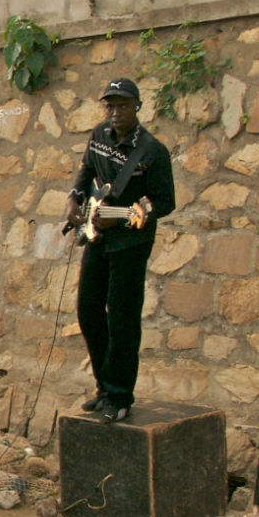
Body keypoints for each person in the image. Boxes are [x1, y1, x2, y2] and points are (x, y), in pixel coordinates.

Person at [65, 78, 176, 423]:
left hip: (130, 242)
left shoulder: (152, 152)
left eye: (122, 106)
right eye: (110, 106)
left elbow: (165, 202)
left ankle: (120, 393)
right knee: (88, 310)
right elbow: (86, 173)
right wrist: (74, 199)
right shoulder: (99, 135)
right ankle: (104, 385)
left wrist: (126, 217)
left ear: (137, 107)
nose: (115, 112)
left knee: (123, 319)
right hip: (98, 237)